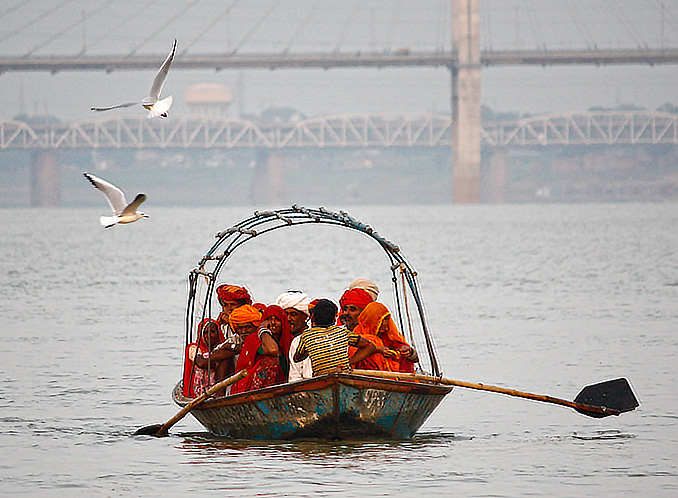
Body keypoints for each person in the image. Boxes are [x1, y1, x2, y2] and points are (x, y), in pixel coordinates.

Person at [293, 299, 376, 376]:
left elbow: (297, 358)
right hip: (343, 375)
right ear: (334, 319)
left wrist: (309, 349)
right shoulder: (342, 332)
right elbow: (370, 346)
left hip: (322, 380)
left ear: (312, 317)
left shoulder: (307, 335)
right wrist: (348, 363)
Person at [230, 305, 292, 394]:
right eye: (269, 319)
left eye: (277, 320)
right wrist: (263, 331)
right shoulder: (253, 339)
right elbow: (273, 350)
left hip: (283, 386)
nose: (273, 323)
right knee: (270, 361)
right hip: (249, 390)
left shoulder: (290, 340)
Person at [352, 302, 419, 373]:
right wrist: (377, 350)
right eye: (380, 326)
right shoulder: (358, 335)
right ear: (372, 322)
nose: (386, 329)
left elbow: (414, 358)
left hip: (392, 376)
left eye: (387, 326)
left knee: (403, 357)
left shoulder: (388, 336)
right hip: (368, 375)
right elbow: (353, 354)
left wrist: (409, 352)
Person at [182, 318, 231, 398]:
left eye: (212, 332)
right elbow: (201, 363)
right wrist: (228, 353)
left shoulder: (222, 347)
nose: (208, 335)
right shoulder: (194, 348)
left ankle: (220, 394)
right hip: (196, 392)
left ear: (218, 333)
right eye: (204, 332)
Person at [276, 290, 313, 382]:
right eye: (285, 314)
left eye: (293, 315)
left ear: (305, 317)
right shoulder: (277, 339)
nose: (288, 319)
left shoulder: (309, 338)